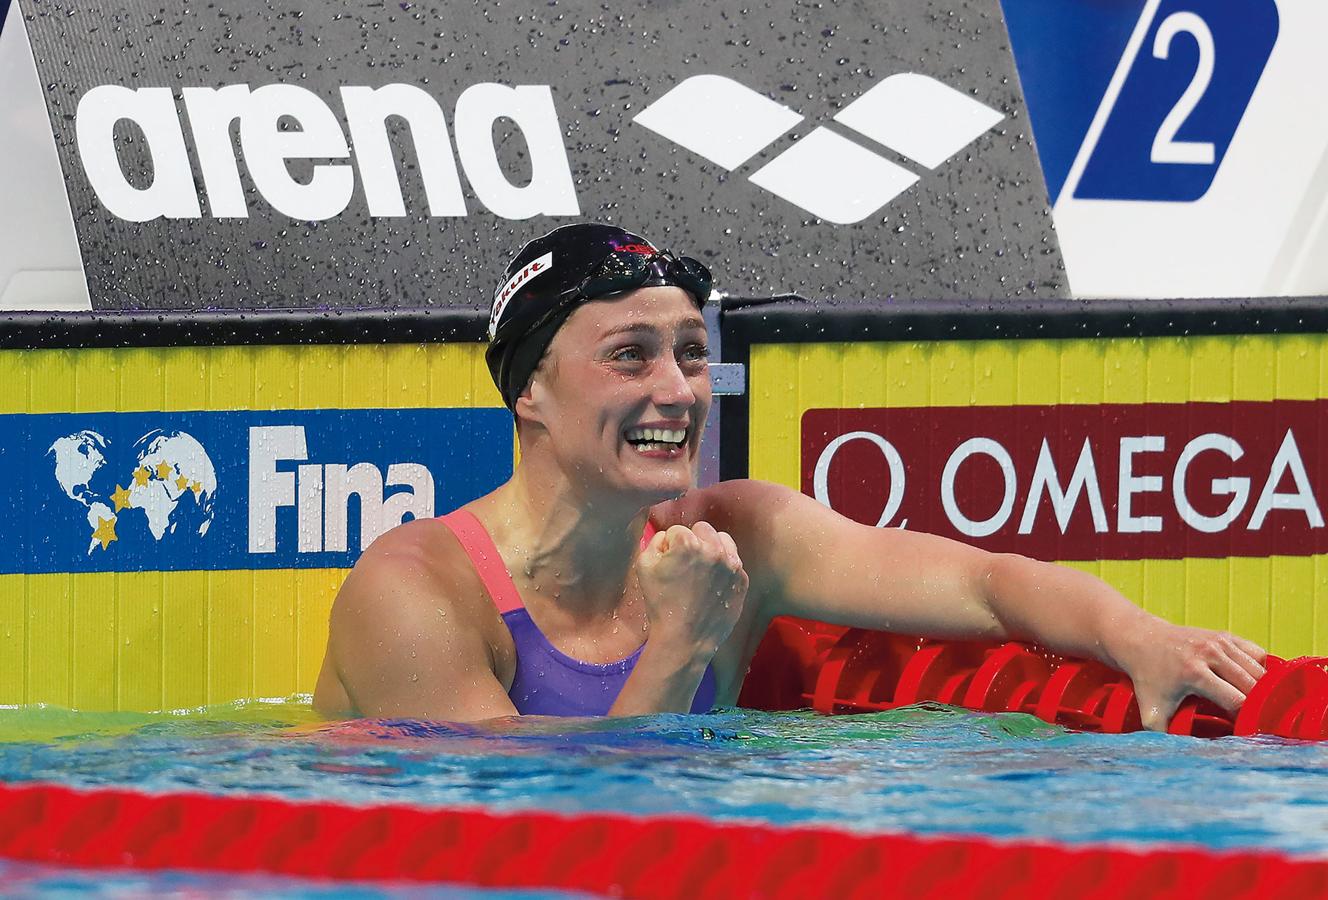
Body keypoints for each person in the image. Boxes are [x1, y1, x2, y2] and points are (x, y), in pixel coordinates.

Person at [313, 223, 1267, 729]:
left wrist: (1139, 636)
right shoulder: (415, 593)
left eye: (691, 352)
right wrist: (680, 643)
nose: (677, 390)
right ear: (529, 390)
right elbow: (532, 847)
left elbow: (984, 582)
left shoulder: (740, 533)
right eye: (630, 355)